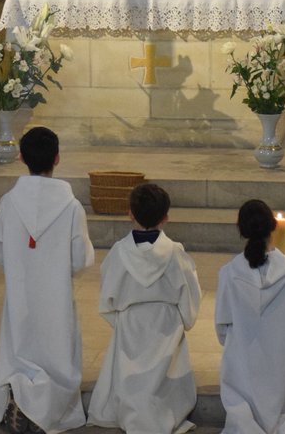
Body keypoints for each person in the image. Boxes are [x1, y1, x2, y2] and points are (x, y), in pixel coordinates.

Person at [0, 126, 95, 434]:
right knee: (57, 351)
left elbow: (0, 254)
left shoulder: (8, 203)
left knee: (20, 345)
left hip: (21, 293)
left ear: (20, 158)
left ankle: (19, 394)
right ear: (57, 158)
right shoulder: (70, 207)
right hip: (56, 294)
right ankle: (46, 408)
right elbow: (80, 258)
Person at [86, 183, 201, 434]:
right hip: (166, 327)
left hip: (130, 324)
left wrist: (123, 321)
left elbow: (107, 299)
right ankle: (163, 410)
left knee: (129, 379)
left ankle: (134, 408)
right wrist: (181, 321)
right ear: (166, 217)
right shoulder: (174, 252)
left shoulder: (119, 252)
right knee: (165, 381)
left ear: (130, 214)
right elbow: (190, 295)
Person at [216, 199, 285, 433]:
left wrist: (240, 348)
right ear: (273, 227)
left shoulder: (230, 273)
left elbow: (222, 326)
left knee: (236, 379)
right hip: (282, 364)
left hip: (242, 363)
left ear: (241, 231)